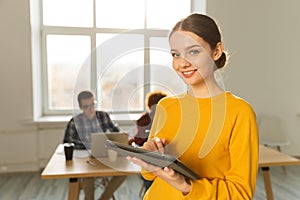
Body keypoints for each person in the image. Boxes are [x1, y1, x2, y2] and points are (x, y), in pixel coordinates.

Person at [128, 13, 259, 199]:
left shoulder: (239, 112)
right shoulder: (166, 106)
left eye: (194, 52)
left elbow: (241, 194)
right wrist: (150, 158)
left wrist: (184, 185)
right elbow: (149, 175)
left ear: (216, 51)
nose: (182, 63)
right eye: (176, 54)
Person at [63, 90, 126, 200]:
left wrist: (121, 138)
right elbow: (67, 142)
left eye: (93, 104)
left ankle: (104, 198)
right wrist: (87, 145)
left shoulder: (104, 116)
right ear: (80, 107)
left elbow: (117, 135)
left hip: (105, 157)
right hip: (87, 160)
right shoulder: (75, 121)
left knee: (123, 172)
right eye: (86, 106)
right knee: (88, 174)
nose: (91, 109)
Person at [128, 91, 167, 194]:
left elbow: (138, 141)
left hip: (149, 158)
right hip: (166, 158)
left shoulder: (143, 119)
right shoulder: (169, 118)